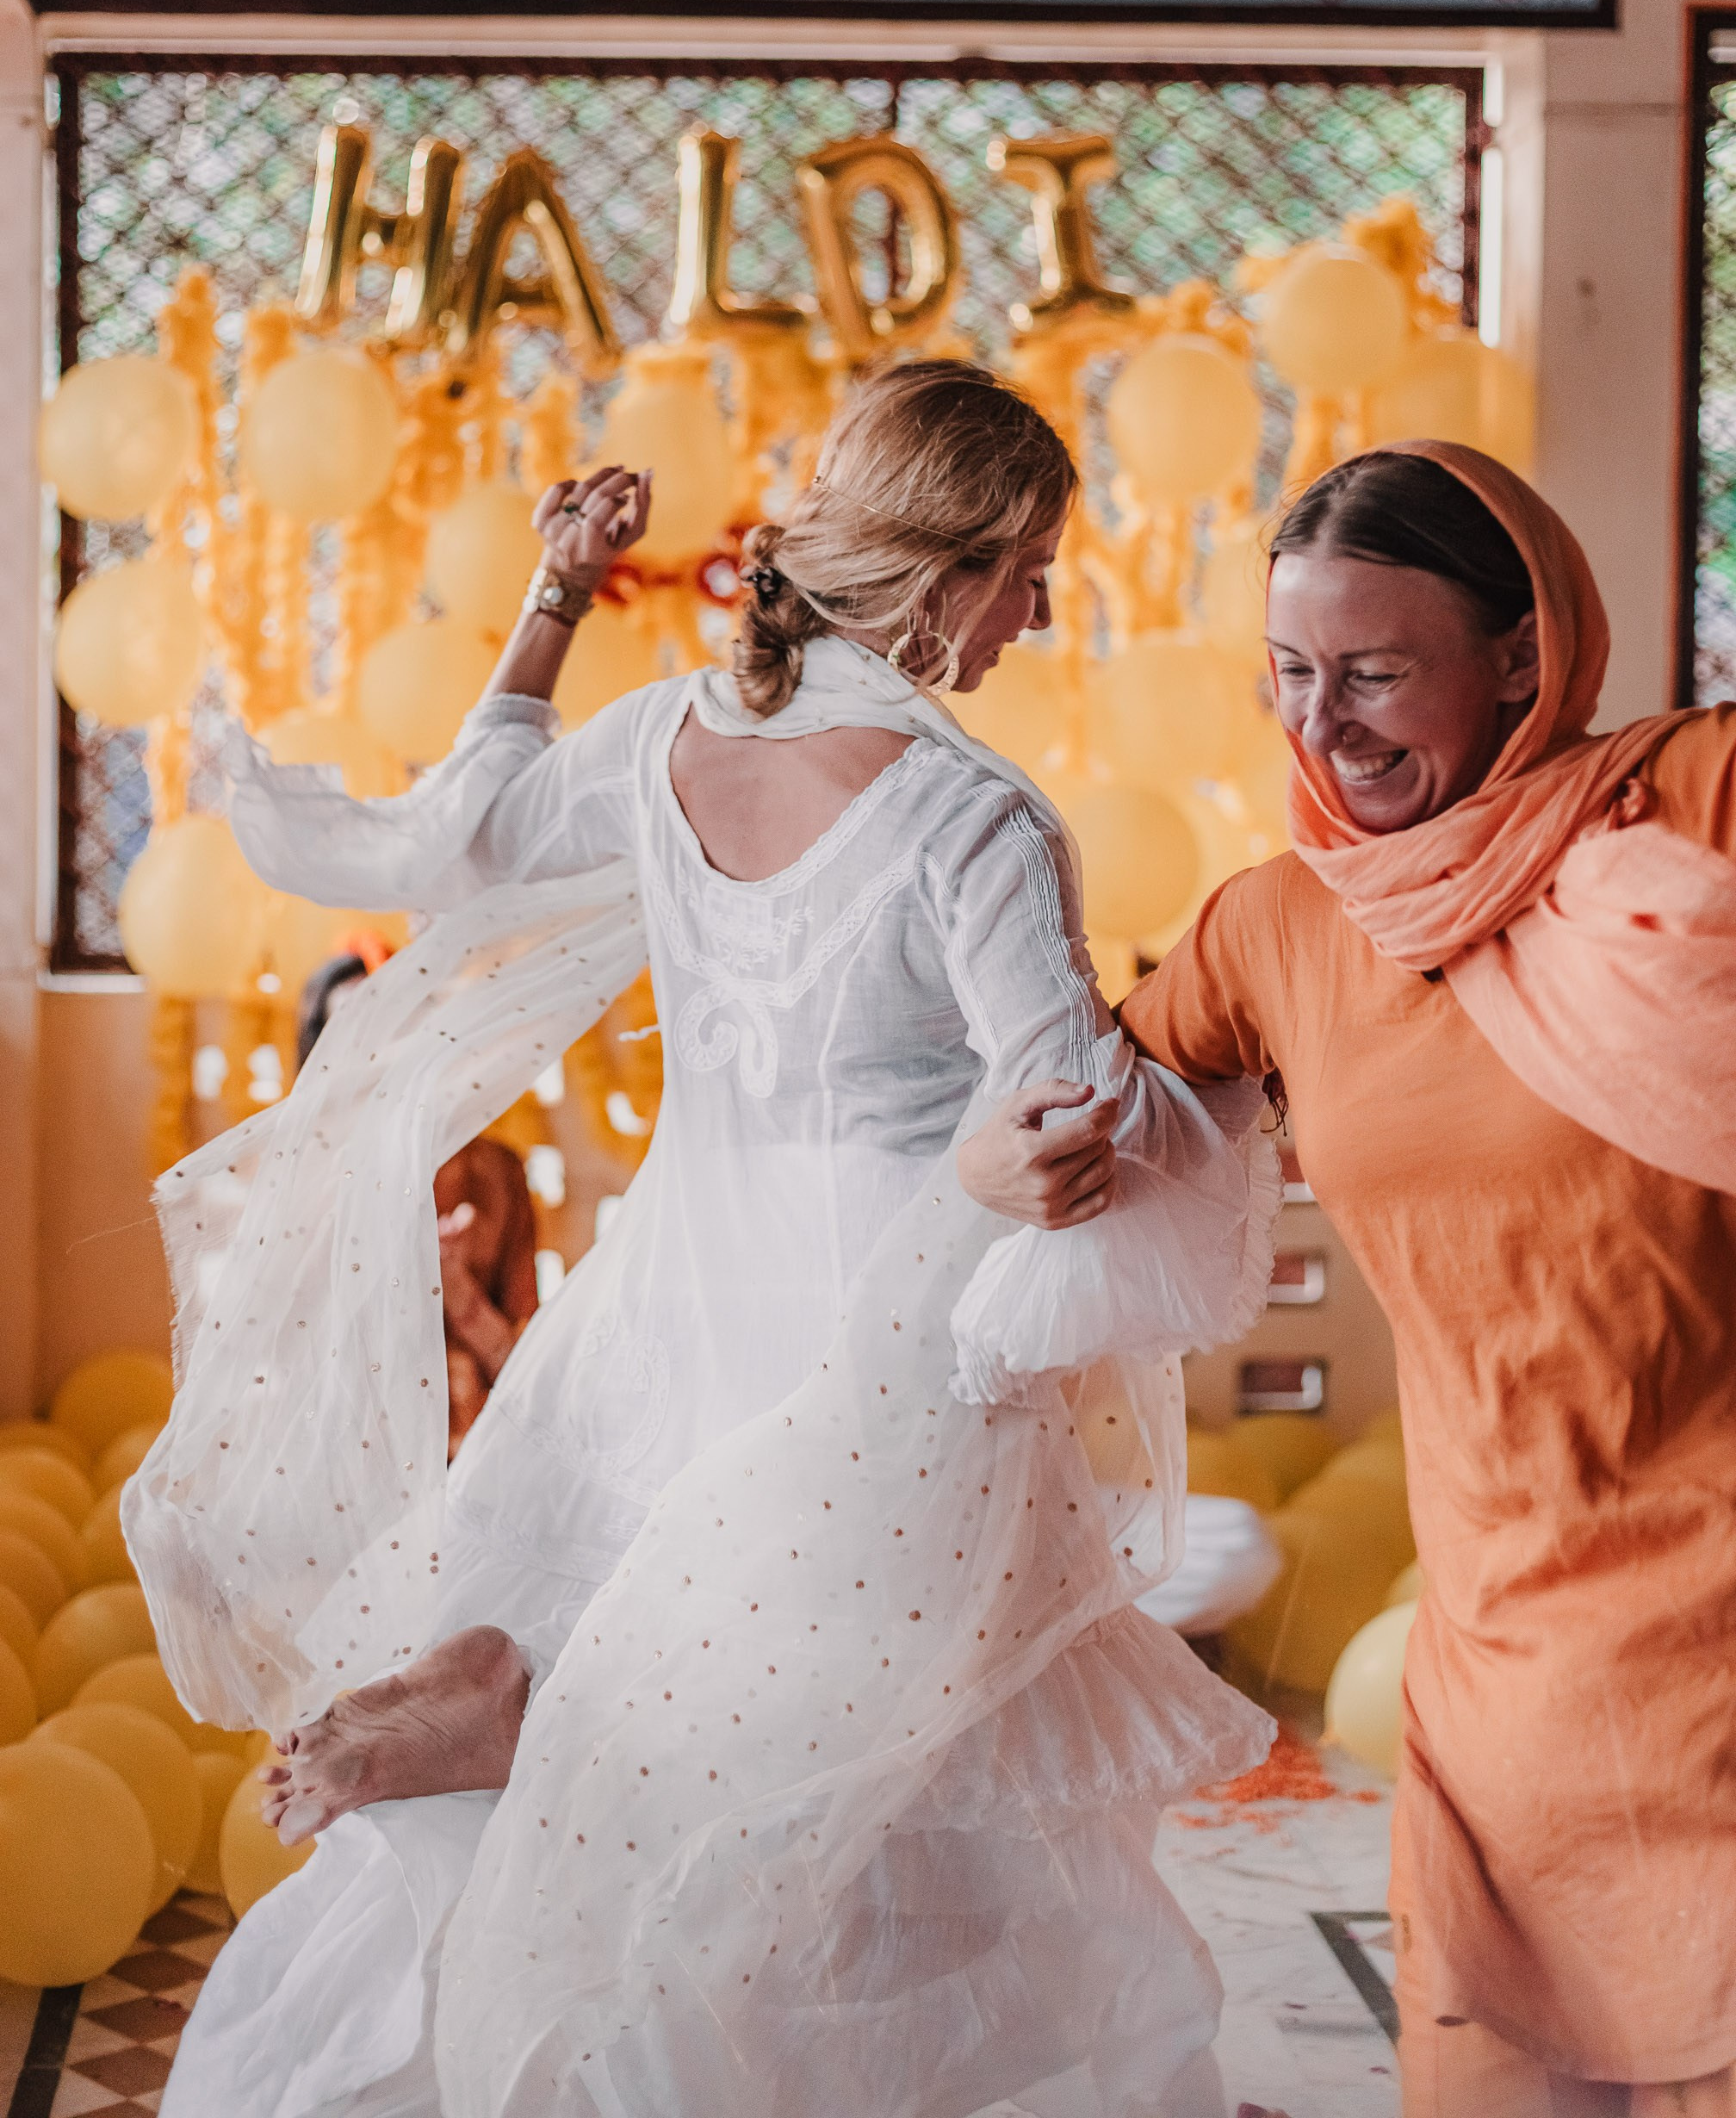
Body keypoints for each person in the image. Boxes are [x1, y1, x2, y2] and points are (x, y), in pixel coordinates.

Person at [133, 363, 1282, 2118]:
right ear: (943, 569)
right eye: (1030, 565)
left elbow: (457, 846)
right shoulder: (972, 816)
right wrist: (1235, 1064)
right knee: (871, 1782)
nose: (1043, 608)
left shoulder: (666, 733)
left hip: (668, 1290)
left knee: (672, 1692)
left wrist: (553, 600)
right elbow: (1069, 1130)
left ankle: (512, 1693)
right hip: (888, 1329)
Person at [959, 444, 1736, 2118]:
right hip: (1501, 1671)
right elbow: (1067, 1110)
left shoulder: (1691, 797)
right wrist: (986, 1162)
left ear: (1524, 656)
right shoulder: (1280, 933)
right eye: (1293, 676)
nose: (1326, 726)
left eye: (1378, 671)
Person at [298, 954, 541, 1453]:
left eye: (393, 1027)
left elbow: (525, 1374)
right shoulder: (309, 1187)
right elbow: (302, 1377)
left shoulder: (496, 1173)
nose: (377, 1055)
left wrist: (455, 1290)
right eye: (353, 1037)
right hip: (355, 1459)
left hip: (481, 1455)